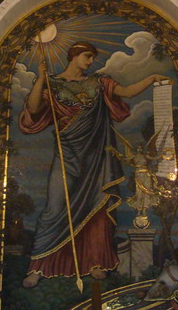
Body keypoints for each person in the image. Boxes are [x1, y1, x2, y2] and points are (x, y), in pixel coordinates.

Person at [19, 40, 164, 288]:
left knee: (96, 208)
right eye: (87, 56)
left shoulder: (99, 82)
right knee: (54, 207)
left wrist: (150, 78)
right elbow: (33, 109)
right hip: (67, 154)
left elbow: (127, 92)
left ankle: (95, 261)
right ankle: (40, 264)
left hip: (96, 156)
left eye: (92, 57)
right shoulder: (53, 84)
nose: (90, 61)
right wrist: (41, 78)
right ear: (74, 56)